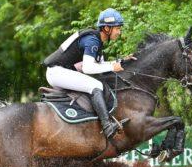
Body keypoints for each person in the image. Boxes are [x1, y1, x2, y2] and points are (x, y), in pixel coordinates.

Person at [43, 8, 133, 139]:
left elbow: (101, 66)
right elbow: (88, 68)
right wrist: (113, 65)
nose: (119, 32)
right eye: (117, 28)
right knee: (95, 86)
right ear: (107, 28)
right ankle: (107, 126)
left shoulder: (97, 41)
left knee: (96, 83)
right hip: (57, 73)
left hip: (60, 72)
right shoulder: (92, 41)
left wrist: (121, 62)